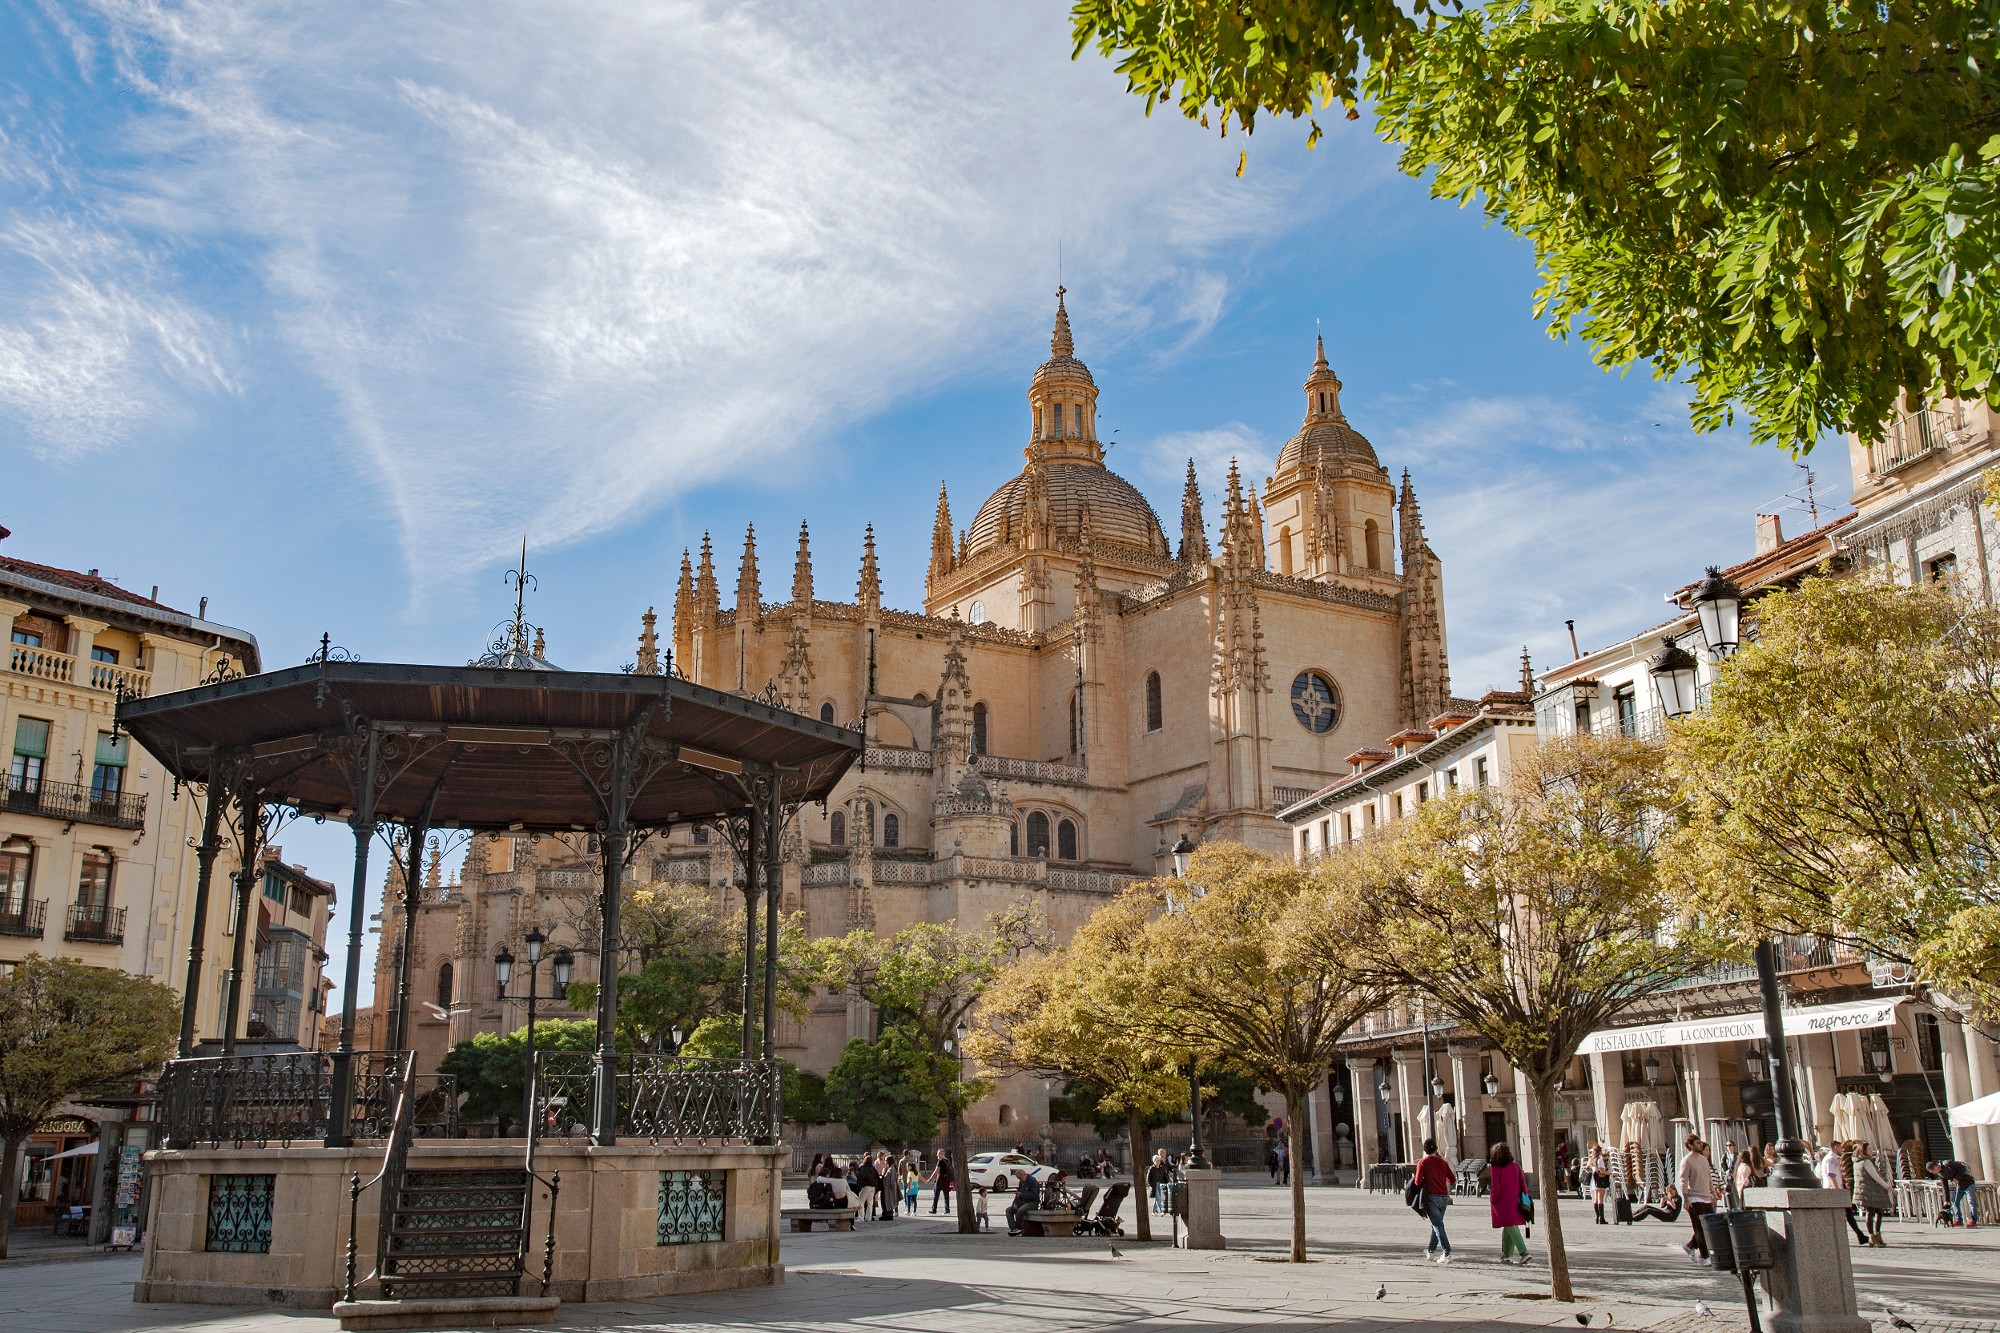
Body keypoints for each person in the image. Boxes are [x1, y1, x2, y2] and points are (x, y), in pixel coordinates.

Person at [1677, 1135, 1718, 1265]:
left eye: (1700, 1142)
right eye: (1697, 1142)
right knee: (1700, 1228)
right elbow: (1683, 1180)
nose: (1700, 1144)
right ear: (1690, 1145)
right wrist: (1686, 1199)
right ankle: (1705, 1256)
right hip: (1694, 1197)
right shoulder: (1686, 1160)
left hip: (1706, 1197)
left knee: (1710, 1226)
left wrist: (1713, 1194)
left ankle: (1690, 1245)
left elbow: (1709, 1178)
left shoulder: (1704, 1160)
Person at [1488, 1142, 1531, 1265]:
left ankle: (1524, 1252)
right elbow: (1523, 1182)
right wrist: (1525, 1196)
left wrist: (1492, 1199)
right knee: (1509, 1226)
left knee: (1510, 1225)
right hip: (1516, 1200)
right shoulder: (1515, 1165)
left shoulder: (1495, 1168)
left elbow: (1496, 1187)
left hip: (1502, 1202)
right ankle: (1506, 1254)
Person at [1415, 1137, 1455, 1264]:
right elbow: (1452, 1178)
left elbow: (1417, 1182)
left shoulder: (1422, 1163)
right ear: (1436, 1149)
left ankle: (1447, 1253)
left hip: (1431, 1197)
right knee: (1436, 1225)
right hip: (1443, 1197)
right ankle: (1430, 1251)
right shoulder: (1443, 1162)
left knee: (1438, 1225)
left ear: (1424, 1150)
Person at [1852, 1142, 1893, 1247]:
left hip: (1864, 1190)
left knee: (1875, 1212)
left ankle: (1874, 1236)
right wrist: (1889, 1187)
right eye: (1869, 1149)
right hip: (1870, 1191)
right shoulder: (1866, 1162)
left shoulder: (1857, 1161)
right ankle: (1874, 1236)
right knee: (1875, 1212)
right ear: (1864, 1150)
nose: (1872, 1150)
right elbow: (1876, 1177)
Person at [1929, 1159, 1978, 1227]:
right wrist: (1946, 1200)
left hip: (1968, 1183)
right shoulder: (1940, 1174)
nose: (1933, 1173)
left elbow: (1962, 1168)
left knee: (1971, 1202)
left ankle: (1973, 1221)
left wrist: (1956, 1178)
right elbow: (1945, 1187)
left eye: (1932, 1171)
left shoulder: (1948, 1164)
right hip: (1959, 1186)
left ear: (1935, 1167)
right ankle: (1959, 1220)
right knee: (1954, 1202)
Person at [1589, 1142, 1613, 1225]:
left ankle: (1597, 1216)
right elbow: (1602, 1171)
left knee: (1595, 1198)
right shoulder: (1599, 1159)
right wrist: (1611, 1173)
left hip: (1594, 1179)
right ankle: (1601, 1218)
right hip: (1600, 1179)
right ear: (1599, 1151)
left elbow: (1588, 1167)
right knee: (1600, 1199)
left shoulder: (1592, 1159)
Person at [852, 1153, 880, 1222]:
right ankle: (868, 1217)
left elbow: (860, 1179)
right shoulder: (873, 1169)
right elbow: (877, 1178)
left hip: (866, 1186)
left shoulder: (863, 1168)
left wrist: (858, 1188)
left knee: (861, 1202)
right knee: (870, 1202)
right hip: (873, 1187)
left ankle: (861, 1217)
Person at [928, 1150, 955, 1215]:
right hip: (946, 1180)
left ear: (942, 1154)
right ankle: (947, 1209)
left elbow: (936, 1171)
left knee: (936, 1194)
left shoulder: (940, 1161)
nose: (937, 1155)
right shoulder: (947, 1160)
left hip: (940, 1179)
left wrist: (930, 1179)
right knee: (946, 1195)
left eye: (938, 1153)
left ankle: (934, 1209)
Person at [1147, 1150, 1172, 1214]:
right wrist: (1151, 1185)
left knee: (1157, 1198)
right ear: (1154, 1161)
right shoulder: (1151, 1168)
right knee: (1158, 1198)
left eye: (1159, 1161)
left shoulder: (1161, 1168)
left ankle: (1153, 1211)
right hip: (1154, 1185)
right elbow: (1148, 1179)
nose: (1158, 1162)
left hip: (1160, 1184)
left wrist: (1167, 1181)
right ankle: (1162, 1210)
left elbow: (1165, 1175)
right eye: (1157, 1161)